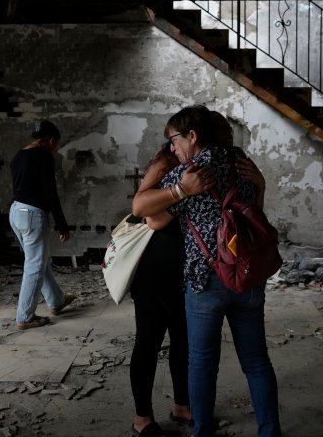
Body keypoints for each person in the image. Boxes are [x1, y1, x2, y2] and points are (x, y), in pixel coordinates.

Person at [137, 105, 281, 437]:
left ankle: (202, 432)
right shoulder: (243, 164)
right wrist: (261, 185)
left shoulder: (189, 173)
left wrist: (174, 185)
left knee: (202, 364)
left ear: (193, 135)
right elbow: (254, 212)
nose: (173, 148)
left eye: (174, 140)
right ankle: (270, 432)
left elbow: (144, 211)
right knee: (257, 362)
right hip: (248, 277)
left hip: (206, 281)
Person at [127, 140, 215, 437]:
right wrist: (184, 195)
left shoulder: (204, 165)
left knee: (183, 342)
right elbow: (148, 215)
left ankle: (182, 406)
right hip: (155, 269)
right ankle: (143, 419)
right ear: (193, 135)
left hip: (186, 269)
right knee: (148, 342)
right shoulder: (167, 162)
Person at [9, 119, 75, 330]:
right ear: (51, 140)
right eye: (56, 144)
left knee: (39, 261)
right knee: (35, 266)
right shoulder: (44, 157)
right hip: (32, 214)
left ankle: (56, 301)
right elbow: (50, 193)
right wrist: (62, 225)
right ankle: (25, 317)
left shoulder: (19, 156)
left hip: (16, 211)